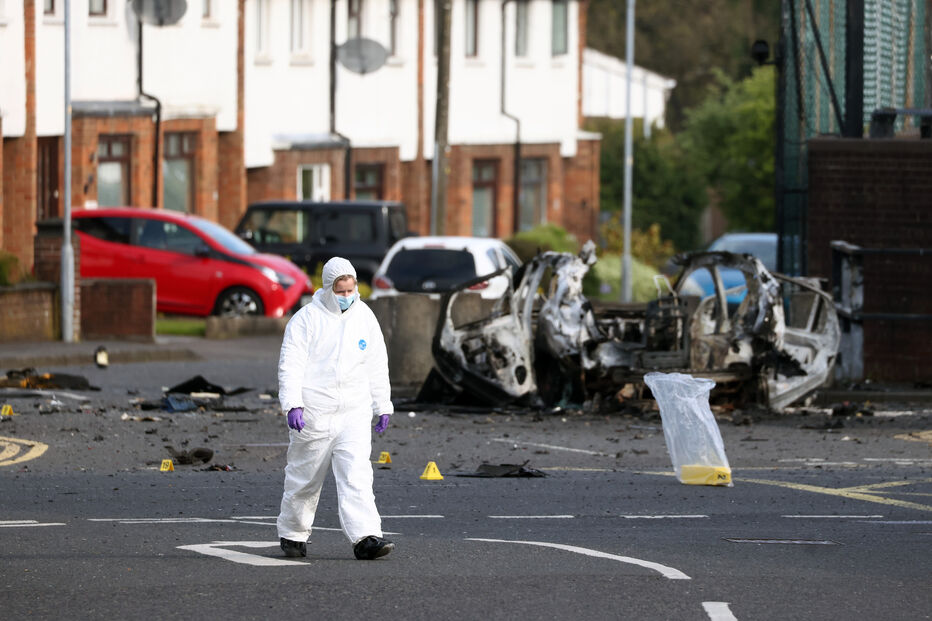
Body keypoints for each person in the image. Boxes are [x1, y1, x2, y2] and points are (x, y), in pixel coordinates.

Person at [276, 256, 394, 560]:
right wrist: (292, 404)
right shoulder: (306, 320)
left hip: (353, 412)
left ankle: (366, 537)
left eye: (350, 290)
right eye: (340, 291)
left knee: (357, 475)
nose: (346, 296)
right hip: (314, 413)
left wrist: (382, 404)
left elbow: (376, 363)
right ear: (327, 288)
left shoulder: (364, 317)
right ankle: (292, 533)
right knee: (305, 477)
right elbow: (291, 365)